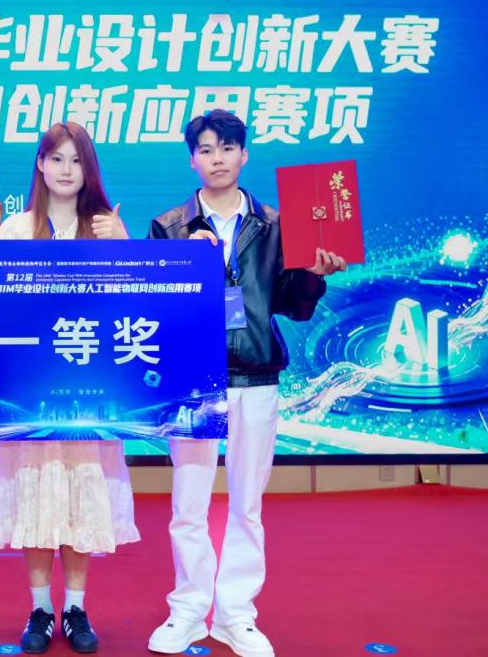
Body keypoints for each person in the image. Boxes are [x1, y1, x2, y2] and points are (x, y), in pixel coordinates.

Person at [145, 110, 346, 657]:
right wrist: (188, 268)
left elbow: (293, 305)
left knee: (247, 504)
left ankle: (236, 615)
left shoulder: (278, 224)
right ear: (192, 159)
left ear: (244, 155)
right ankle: (188, 610)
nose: (217, 159)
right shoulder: (169, 227)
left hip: (256, 376)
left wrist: (314, 275)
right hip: (194, 382)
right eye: (206, 150)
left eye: (227, 148)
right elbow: (157, 310)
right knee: (188, 504)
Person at [0, 122, 139, 655]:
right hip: (32, 387)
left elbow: (132, 304)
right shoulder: (18, 227)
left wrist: (123, 247)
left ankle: (76, 608)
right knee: (37, 494)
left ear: (89, 170)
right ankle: (41, 608)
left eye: (77, 160)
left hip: (90, 387)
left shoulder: (107, 226)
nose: (67, 169)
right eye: (57, 158)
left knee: (82, 492)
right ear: (40, 165)